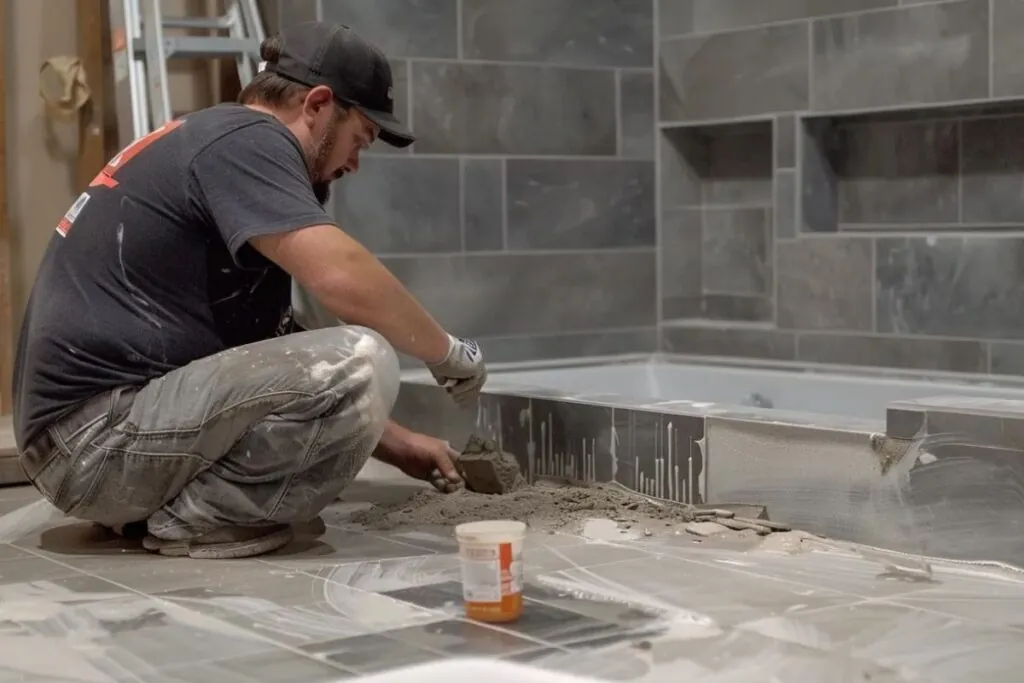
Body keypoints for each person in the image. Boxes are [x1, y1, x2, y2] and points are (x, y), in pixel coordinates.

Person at [11, 21, 486, 560]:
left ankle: (147, 510)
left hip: (85, 444)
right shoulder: (252, 140)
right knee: (361, 358)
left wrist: (397, 444)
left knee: (337, 367)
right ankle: (197, 518)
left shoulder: (213, 139)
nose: (354, 163)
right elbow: (341, 277)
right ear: (318, 104)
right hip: (96, 445)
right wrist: (451, 354)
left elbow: (268, 358)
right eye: (360, 139)